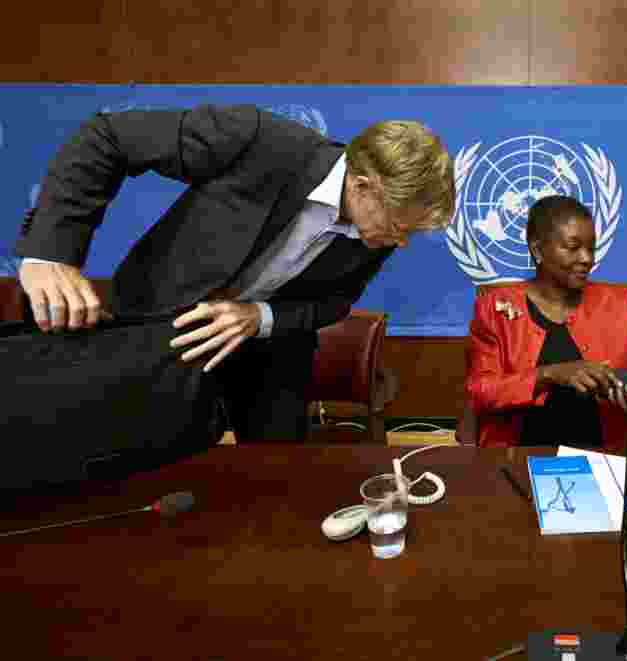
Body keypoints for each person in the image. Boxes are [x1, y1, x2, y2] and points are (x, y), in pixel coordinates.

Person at [14, 104, 455, 441]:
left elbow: (334, 301)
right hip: (158, 329)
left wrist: (257, 317)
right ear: (362, 187)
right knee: (137, 466)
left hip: (270, 361)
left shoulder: (378, 226)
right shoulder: (259, 141)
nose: (401, 243)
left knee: (274, 489)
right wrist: (50, 253)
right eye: (400, 227)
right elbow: (106, 138)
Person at [464, 195, 627, 450]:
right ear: (538, 250)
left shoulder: (618, 306)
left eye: (591, 247)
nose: (586, 258)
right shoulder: (494, 308)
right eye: (573, 247)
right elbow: (481, 392)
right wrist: (550, 374)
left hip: (604, 457)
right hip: (517, 458)